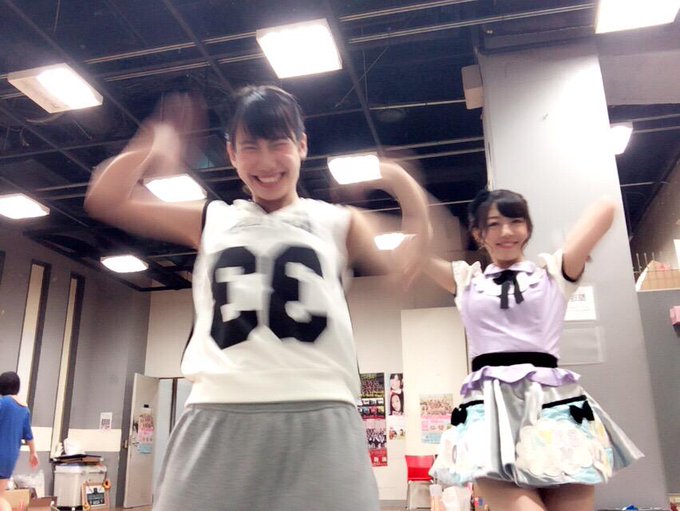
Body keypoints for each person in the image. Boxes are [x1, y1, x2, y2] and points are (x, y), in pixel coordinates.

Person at [84, 85, 430, 511]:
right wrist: (150, 144)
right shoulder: (212, 219)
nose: (266, 162)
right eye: (250, 147)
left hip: (321, 414)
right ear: (232, 154)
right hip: (218, 411)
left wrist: (402, 183)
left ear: (302, 145)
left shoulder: (338, 223)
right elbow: (106, 199)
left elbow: (409, 263)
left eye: (278, 143)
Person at [426, 189, 642, 511]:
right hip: (489, 414)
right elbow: (414, 254)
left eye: (516, 221)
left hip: (553, 409)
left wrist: (572, 245)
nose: (507, 232)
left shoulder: (553, 275)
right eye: (494, 224)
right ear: (478, 234)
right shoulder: (467, 281)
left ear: (528, 228)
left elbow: (606, 209)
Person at [0, 372, 39, 511]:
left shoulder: (3, 403)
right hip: (10, 459)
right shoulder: (24, 409)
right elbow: (29, 435)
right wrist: (33, 453)